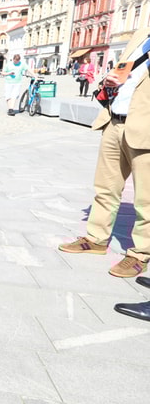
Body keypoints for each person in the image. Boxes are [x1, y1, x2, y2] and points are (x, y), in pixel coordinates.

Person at [58, 27, 150, 289]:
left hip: (145, 128)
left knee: (146, 198)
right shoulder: (141, 36)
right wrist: (110, 80)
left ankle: (140, 253)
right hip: (115, 120)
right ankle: (96, 238)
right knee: (105, 187)